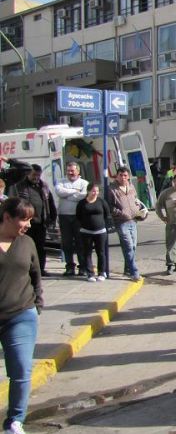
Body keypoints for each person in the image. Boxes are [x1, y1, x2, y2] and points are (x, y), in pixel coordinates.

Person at [0, 198, 43, 434]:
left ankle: (15, 421)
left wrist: (37, 303)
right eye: (23, 219)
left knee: (21, 369)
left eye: (30, 220)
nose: (28, 225)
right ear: (7, 217)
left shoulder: (27, 243)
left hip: (21, 314)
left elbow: (35, 274)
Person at [9, 164, 57, 276]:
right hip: (25, 223)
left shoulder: (43, 186)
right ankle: (26, 269)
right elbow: (14, 202)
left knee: (40, 247)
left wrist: (52, 217)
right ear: (28, 174)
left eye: (38, 175)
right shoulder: (19, 186)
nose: (36, 177)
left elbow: (50, 202)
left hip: (41, 222)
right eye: (34, 175)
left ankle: (40, 269)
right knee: (25, 247)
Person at [54, 162, 89, 277]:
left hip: (79, 217)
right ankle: (69, 267)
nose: (70, 173)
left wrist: (67, 196)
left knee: (80, 243)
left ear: (78, 171)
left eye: (72, 171)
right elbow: (59, 192)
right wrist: (75, 191)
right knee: (67, 243)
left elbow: (83, 195)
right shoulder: (61, 182)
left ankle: (82, 267)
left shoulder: (84, 183)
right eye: (68, 171)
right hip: (64, 216)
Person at [108, 167, 143, 281]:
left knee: (133, 246)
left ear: (128, 176)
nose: (123, 178)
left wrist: (138, 207)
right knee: (128, 246)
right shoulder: (112, 189)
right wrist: (121, 213)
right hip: (121, 222)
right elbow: (109, 206)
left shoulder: (131, 186)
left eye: (125, 175)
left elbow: (136, 199)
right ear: (117, 176)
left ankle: (127, 269)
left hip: (133, 220)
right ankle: (134, 272)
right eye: (121, 175)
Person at [75, 183, 113, 282]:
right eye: (93, 191)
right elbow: (78, 216)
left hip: (100, 232)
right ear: (88, 191)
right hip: (86, 232)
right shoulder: (82, 203)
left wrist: (105, 226)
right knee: (87, 253)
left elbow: (107, 214)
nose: (95, 193)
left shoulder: (101, 202)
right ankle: (90, 273)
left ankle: (101, 272)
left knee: (101, 252)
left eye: (97, 191)